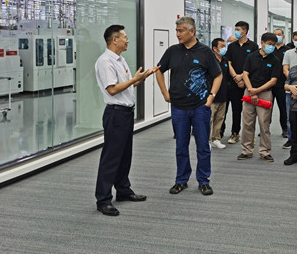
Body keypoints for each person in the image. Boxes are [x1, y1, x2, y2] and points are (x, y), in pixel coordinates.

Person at [94, 24, 159, 216]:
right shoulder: (105, 61)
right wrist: (133, 80)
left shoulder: (120, 60)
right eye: (125, 37)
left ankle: (123, 190)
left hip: (126, 113)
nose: (127, 40)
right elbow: (112, 89)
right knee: (111, 157)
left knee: (124, 155)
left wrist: (141, 78)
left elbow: (126, 86)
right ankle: (103, 199)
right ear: (115, 40)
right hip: (115, 114)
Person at [156, 16, 222, 196]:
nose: (178, 34)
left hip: (200, 107)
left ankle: (204, 181)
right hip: (179, 107)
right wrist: (165, 93)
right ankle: (181, 180)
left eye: (181, 31)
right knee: (181, 146)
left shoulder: (205, 52)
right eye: (177, 31)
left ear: (192, 31)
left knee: (203, 146)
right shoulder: (172, 51)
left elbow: (218, 75)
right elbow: (159, 71)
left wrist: (211, 97)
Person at [237, 32, 282, 162]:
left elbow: (273, 80)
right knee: (247, 122)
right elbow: (245, 74)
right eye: (269, 44)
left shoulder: (275, 60)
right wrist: (252, 91)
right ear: (262, 43)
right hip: (249, 92)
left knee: (264, 123)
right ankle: (246, 150)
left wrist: (257, 91)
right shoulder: (251, 56)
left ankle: (264, 151)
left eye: (273, 45)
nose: (271, 47)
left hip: (265, 93)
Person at [226, 21, 259, 144]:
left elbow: (254, 65)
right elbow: (228, 63)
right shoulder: (231, 46)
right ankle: (235, 133)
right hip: (234, 83)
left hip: (248, 84)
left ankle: (250, 135)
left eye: (238, 29)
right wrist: (236, 77)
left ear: (245, 31)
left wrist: (242, 77)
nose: (236, 32)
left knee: (249, 112)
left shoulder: (253, 46)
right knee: (236, 110)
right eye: (235, 29)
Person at [282, 30, 297, 149]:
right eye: (295, 40)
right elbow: (285, 70)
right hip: (290, 88)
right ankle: (291, 139)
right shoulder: (288, 53)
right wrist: (293, 86)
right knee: (290, 117)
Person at [210, 38, 229, 149]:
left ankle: (216, 139)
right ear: (215, 48)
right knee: (209, 119)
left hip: (223, 94)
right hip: (212, 95)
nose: (224, 48)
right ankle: (206, 140)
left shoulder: (225, 60)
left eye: (225, 46)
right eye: (222, 46)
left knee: (220, 118)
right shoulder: (210, 60)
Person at [272, 28, 289, 139]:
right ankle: (265, 127)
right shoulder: (269, 50)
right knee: (267, 108)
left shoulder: (287, 50)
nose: (277, 36)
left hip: (282, 84)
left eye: (279, 34)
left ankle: (285, 129)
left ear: (283, 36)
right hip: (269, 84)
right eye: (275, 34)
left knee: (283, 109)